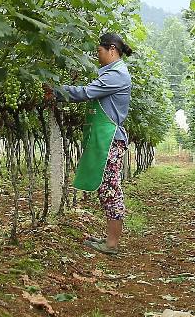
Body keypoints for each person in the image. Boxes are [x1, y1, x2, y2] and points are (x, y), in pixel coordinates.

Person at [45, 32, 134, 254]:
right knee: (107, 187)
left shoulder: (117, 75)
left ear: (112, 49)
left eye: (100, 51)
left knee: (111, 189)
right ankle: (109, 239)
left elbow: (87, 92)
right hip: (106, 137)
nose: (97, 56)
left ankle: (111, 244)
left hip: (110, 138)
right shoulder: (114, 72)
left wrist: (57, 91)